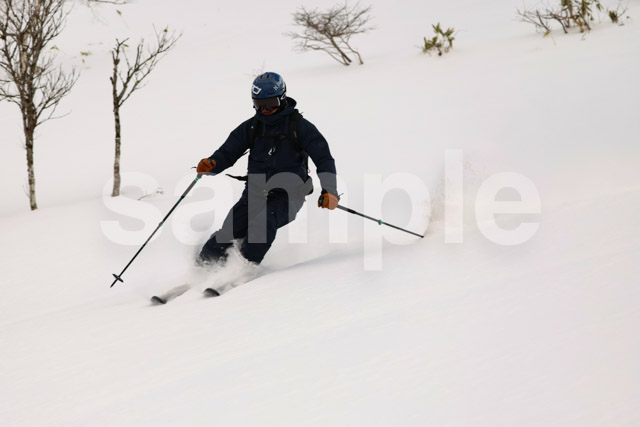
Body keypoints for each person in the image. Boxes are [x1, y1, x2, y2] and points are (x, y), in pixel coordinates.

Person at [196, 72, 339, 267]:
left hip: (288, 195)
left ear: (282, 98)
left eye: (271, 104)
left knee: (263, 224)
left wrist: (330, 190)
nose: (265, 110)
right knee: (229, 231)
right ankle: (201, 269)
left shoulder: (300, 127)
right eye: (259, 104)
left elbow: (324, 159)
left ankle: (243, 269)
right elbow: (228, 152)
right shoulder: (252, 127)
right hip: (255, 192)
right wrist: (213, 163)